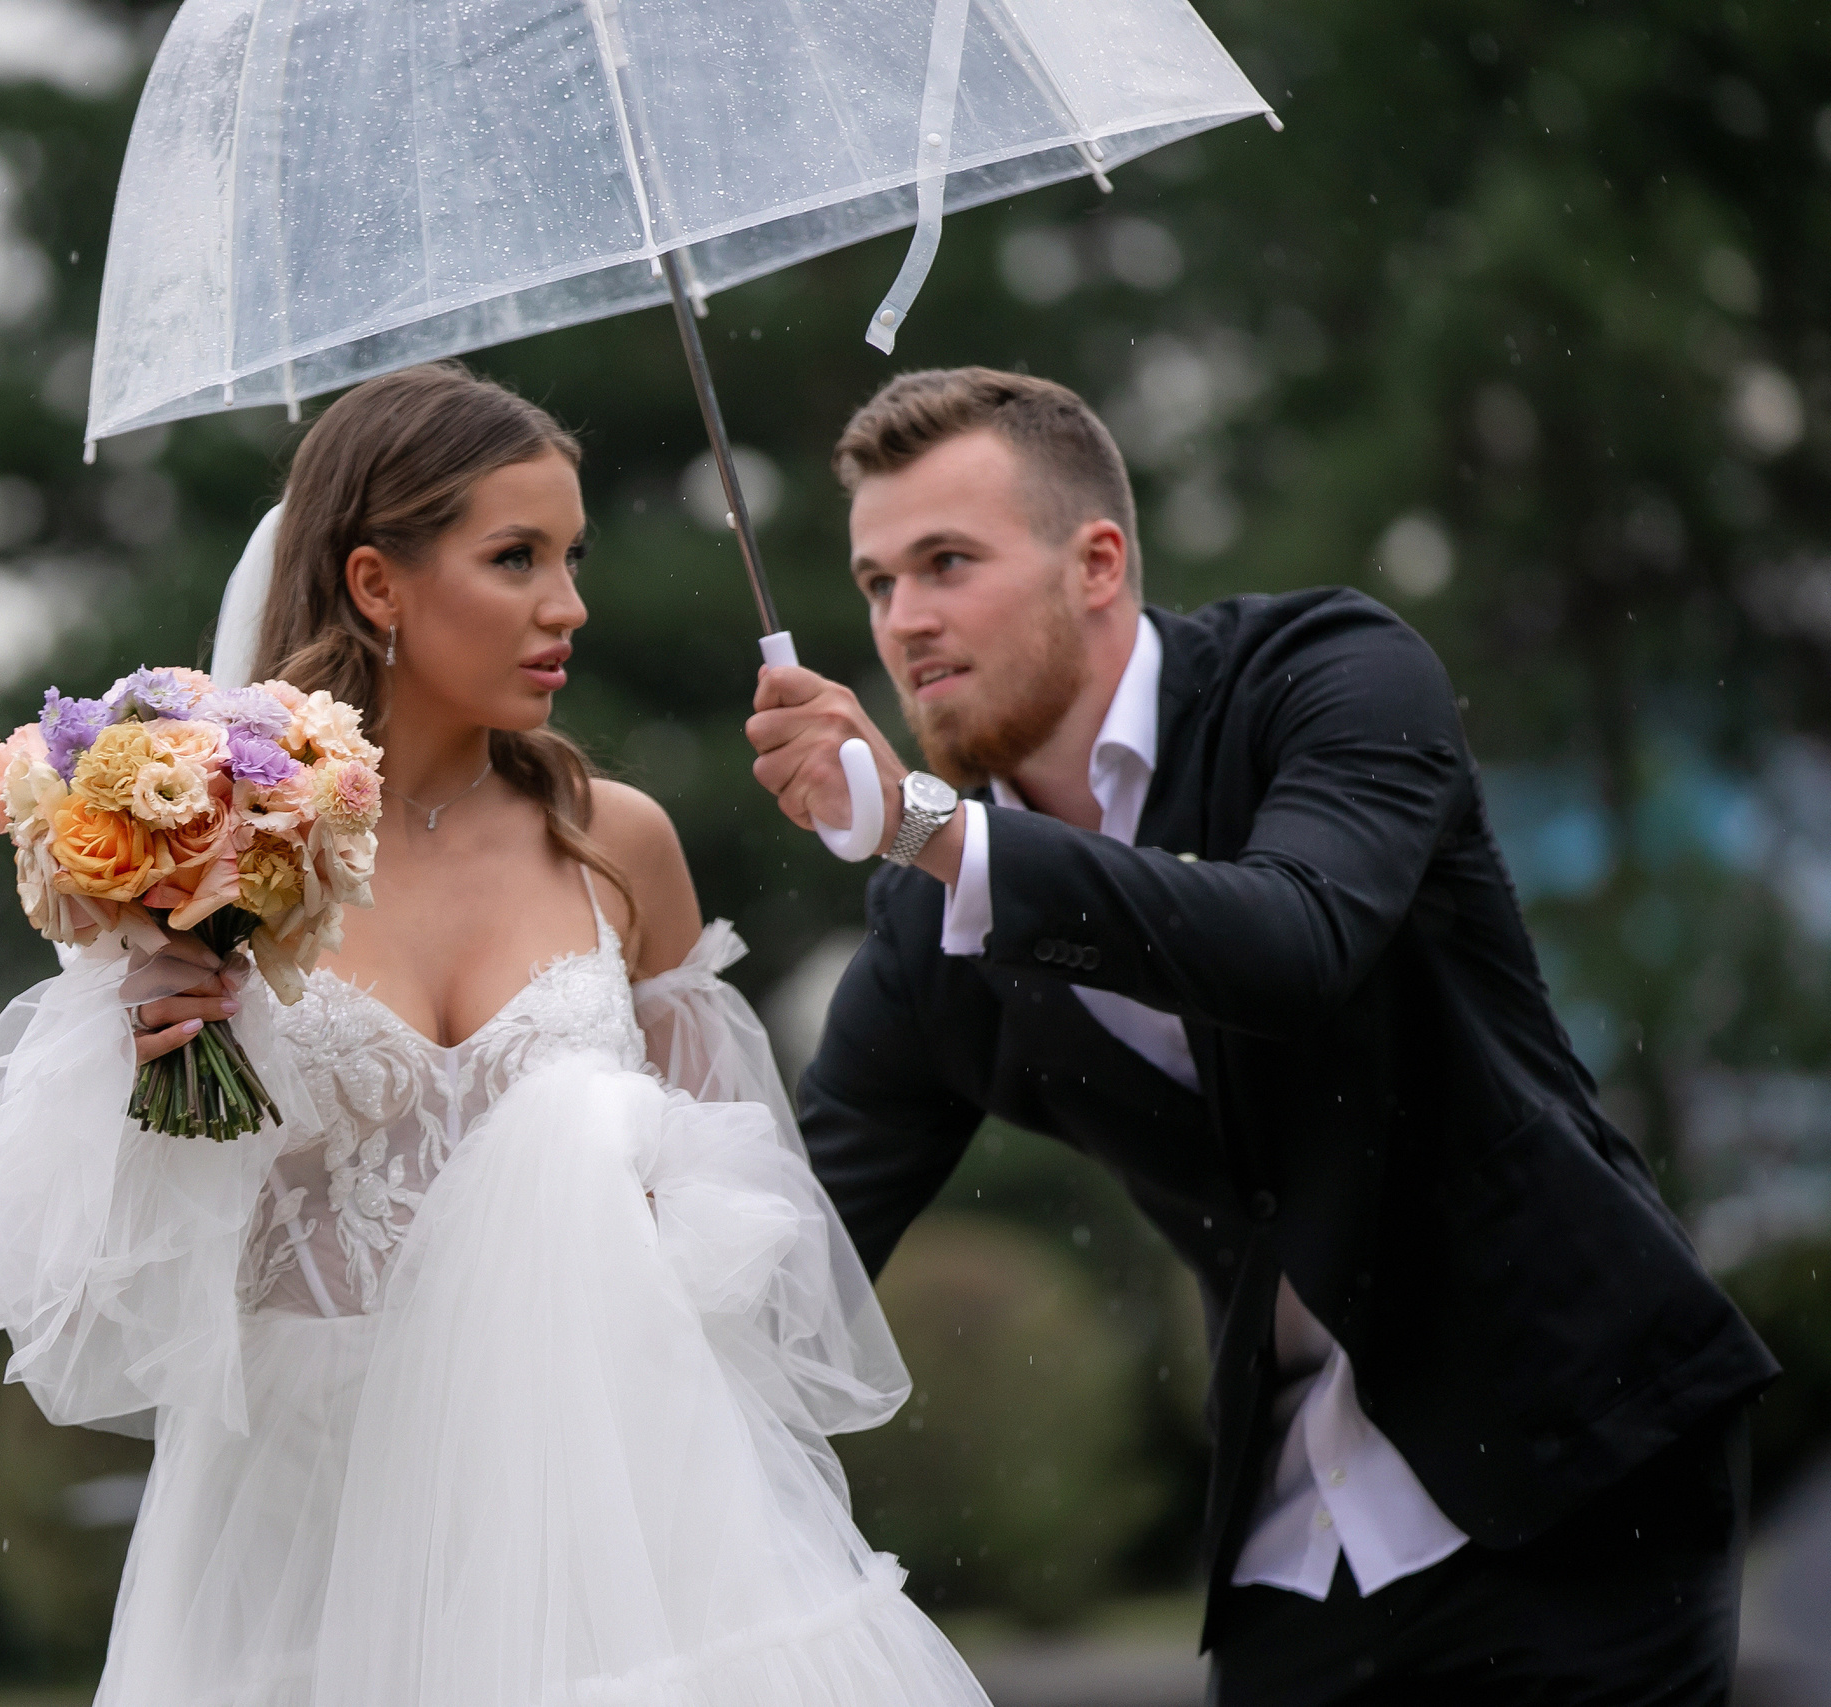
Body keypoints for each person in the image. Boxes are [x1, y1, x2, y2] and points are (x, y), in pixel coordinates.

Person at [0, 363, 992, 1707]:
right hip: (313, 1532)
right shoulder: (213, 870)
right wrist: (157, 1061)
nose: (570, 606)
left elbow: (731, 1226)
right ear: (378, 584)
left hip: (613, 1531)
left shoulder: (622, 845)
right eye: (517, 558)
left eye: (574, 557)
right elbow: (119, 1290)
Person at [745, 366, 1779, 1706]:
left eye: (947, 562)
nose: (905, 622)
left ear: (1098, 562)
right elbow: (805, 1261)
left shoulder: (1332, 674)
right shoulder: (923, 935)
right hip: (1298, 1549)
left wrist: (930, 827)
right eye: (878, 583)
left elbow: (1293, 942)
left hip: (1579, 1457)